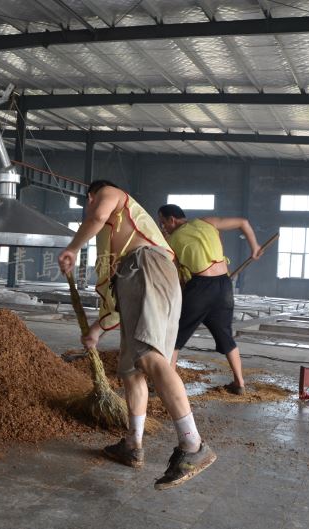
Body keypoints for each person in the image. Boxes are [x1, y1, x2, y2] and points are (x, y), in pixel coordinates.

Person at [58, 180, 216, 490]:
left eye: (89, 205)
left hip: (147, 268)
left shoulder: (110, 195)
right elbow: (116, 300)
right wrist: (97, 329)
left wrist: (73, 247)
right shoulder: (114, 243)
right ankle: (133, 444)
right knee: (132, 370)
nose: (92, 210)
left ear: (91, 197)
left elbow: (96, 216)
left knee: (149, 358)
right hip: (144, 278)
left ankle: (193, 445)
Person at [158, 204, 262, 395]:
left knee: (174, 336)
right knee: (226, 336)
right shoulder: (207, 222)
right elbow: (243, 222)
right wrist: (254, 247)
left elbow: (176, 274)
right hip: (224, 286)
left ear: (172, 220)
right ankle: (239, 383)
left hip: (200, 287)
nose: (163, 227)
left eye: (163, 222)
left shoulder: (170, 241)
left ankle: (167, 387)